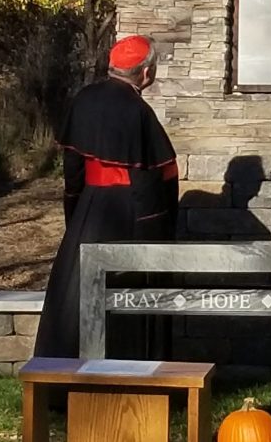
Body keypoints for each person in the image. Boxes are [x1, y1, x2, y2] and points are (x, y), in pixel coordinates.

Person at [34, 35, 179, 360]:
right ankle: (130, 379)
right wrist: (157, 240)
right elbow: (151, 180)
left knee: (74, 298)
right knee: (128, 297)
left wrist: (75, 214)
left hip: (89, 209)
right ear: (145, 74)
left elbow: (72, 168)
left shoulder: (84, 99)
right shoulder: (138, 112)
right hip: (130, 216)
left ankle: (63, 381)